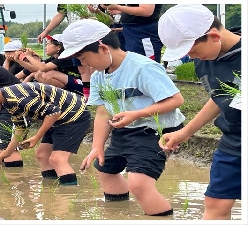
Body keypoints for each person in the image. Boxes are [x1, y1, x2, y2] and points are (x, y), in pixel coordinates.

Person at [58, 19, 185, 216]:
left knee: (139, 184)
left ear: (102, 48)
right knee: (105, 168)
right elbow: (102, 112)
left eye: (83, 58)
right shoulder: (100, 74)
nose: (83, 64)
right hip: (125, 128)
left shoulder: (142, 68)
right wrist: (97, 146)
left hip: (154, 130)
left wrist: (136, 114)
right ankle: (118, 214)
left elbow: (176, 100)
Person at [157, 4, 241, 220]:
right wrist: (184, 133)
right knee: (215, 202)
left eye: (193, 51)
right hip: (232, 141)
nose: (193, 57)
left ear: (213, 36)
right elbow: (219, 97)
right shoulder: (204, 60)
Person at [0, 80, 91, 186]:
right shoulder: (8, 101)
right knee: (42, 154)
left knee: (57, 159)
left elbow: (54, 111)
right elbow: (20, 127)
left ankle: (68, 196)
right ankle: (52, 191)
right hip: (59, 118)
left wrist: (37, 137)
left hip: (74, 115)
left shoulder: (17, 98)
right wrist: (7, 152)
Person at [38, 4, 92, 99]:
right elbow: (61, 14)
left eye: (48, 44)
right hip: (76, 38)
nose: (46, 46)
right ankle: (87, 95)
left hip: (91, 34)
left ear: (59, 46)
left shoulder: (63, 57)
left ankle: (95, 94)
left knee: (93, 66)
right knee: (82, 68)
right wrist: (46, 31)